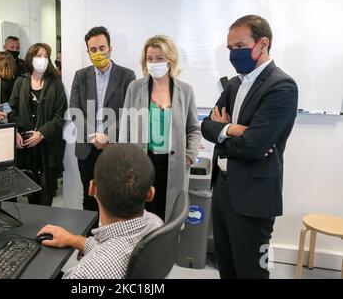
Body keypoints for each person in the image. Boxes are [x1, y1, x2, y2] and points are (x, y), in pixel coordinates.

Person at [201, 15, 298, 279]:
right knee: (227, 267)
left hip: (253, 197)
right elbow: (206, 126)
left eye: (239, 46)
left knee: (252, 272)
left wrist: (228, 135)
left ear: (262, 44)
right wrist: (233, 129)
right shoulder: (234, 84)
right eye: (230, 49)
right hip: (222, 189)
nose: (233, 54)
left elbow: (253, 147)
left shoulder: (282, 86)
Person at [37, 144, 163, 279]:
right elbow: (115, 248)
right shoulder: (156, 224)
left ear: (92, 189)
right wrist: (73, 240)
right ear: (150, 194)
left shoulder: (83, 275)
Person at [119, 35, 201, 221]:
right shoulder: (135, 88)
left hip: (174, 165)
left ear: (170, 60)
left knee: (170, 215)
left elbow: (194, 128)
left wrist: (189, 155)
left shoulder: (185, 90)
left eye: (159, 58)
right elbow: (126, 126)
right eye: (150, 58)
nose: (154, 62)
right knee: (141, 215)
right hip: (143, 163)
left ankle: (166, 249)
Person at [70, 26, 136, 215]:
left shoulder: (127, 76)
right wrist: (94, 136)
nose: (98, 53)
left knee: (115, 198)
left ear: (110, 48)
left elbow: (128, 112)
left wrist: (108, 136)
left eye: (102, 48)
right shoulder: (81, 76)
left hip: (114, 147)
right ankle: (90, 242)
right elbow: (74, 110)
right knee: (89, 198)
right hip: (87, 148)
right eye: (93, 50)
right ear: (88, 52)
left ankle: (112, 242)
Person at [9, 43, 67, 206]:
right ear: (30, 58)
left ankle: (45, 228)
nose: (42, 59)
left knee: (46, 191)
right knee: (30, 193)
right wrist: (16, 131)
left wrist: (41, 134)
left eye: (46, 56)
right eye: (38, 56)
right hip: (26, 146)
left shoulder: (55, 83)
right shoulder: (20, 82)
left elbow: (60, 115)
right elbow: (10, 108)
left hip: (48, 147)